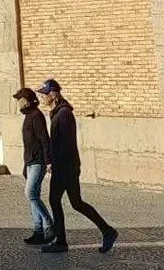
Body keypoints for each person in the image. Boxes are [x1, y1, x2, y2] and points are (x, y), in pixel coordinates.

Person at [37, 78, 117, 254]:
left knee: (58, 201)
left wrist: (59, 165)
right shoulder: (58, 113)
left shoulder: (63, 114)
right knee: (76, 203)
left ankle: (62, 242)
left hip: (65, 167)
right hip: (65, 166)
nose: (42, 98)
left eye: (44, 95)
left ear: (53, 94)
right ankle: (107, 231)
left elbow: (67, 144)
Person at [12, 86, 53, 245]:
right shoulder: (28, 117)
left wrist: (48, 160)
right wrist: (25, 165)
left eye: (19, 99)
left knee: (30, 194)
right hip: (30, 161)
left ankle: (49, 224)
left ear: (27, 101)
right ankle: (38, 231)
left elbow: (44, 139)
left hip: (38, 161)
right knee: (33, 195)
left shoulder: (36, 116)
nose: (18, 103)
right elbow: (28, 143)